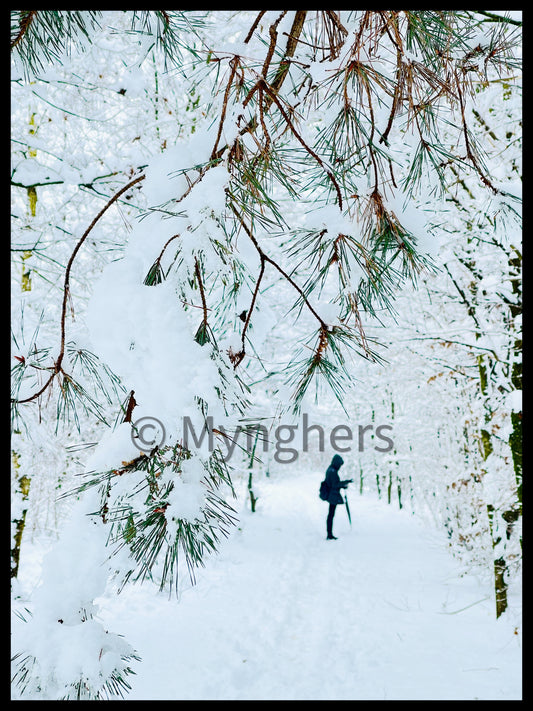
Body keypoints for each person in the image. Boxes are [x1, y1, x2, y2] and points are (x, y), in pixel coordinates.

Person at [324, 454, 352, 540]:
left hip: (332, 495)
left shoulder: (331, 470)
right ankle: (329, 534)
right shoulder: (332, 471)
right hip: (332, 495)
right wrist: (344, 483)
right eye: (339, 464)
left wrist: (344, 483)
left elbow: (335, 483)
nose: (340, 466)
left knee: (331, 515)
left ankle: (329, 533)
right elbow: (335, 484)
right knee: (331, 515)